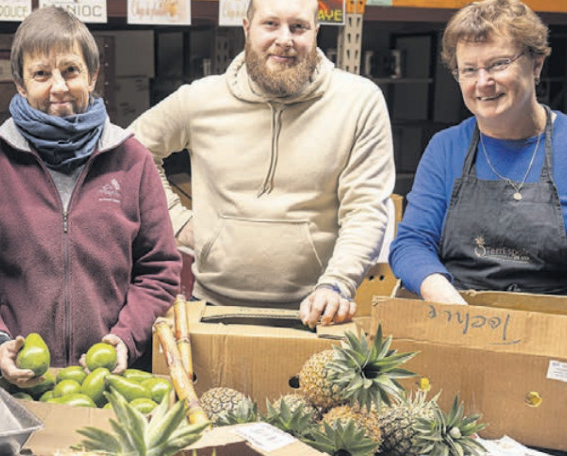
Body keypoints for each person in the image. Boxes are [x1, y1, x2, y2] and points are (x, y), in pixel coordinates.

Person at [388, 0, 567, 456]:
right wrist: (446, 302)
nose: (482, 82)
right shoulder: (446, 148)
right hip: (461, 351)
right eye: (468, 70)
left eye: (499, 64)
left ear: (537, 61)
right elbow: (410, 244)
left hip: (559, 362)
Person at [127, 0, 394, 328]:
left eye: (298, 27)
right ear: (246, 29)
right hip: (212, 308)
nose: (285, 39)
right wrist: (175, 221)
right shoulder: (201, 99)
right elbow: (130, 154)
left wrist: (338, 282)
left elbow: (365, 209)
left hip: (314, 313)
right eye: (271, 24)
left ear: (316, 33)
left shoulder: (358, 102)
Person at [0, 6, 182, 387]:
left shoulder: (132, 159)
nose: (58, 86)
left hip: (106, 379)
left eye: (71, 71)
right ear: (21, 84)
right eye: (41, 74)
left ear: (92, 76)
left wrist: (125, 337)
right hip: (8, 379)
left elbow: (159, 271)